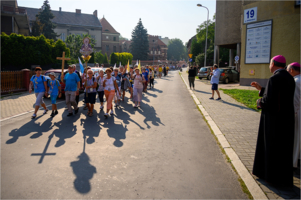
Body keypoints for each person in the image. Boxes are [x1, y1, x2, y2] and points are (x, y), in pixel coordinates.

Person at [251, 55, 295, 186]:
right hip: (286, 120)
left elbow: (268, 101)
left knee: (271, 148)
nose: (269, 66)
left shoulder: (274, 78)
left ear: (274, 64)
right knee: (283, 150)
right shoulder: (289, 78)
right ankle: (283, 179)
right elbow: (280, 97)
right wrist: (262, 89)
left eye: (270, 63)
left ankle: (270, 177)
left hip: (273, 120)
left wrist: (259, 102)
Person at [287, 62, 301, 169]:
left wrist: (293, 114)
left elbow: (295, 101)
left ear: (291, 70)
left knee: (296, 138)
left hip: (298, 114)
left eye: (288, 70)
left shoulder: (296, 81)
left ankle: (294, 163)